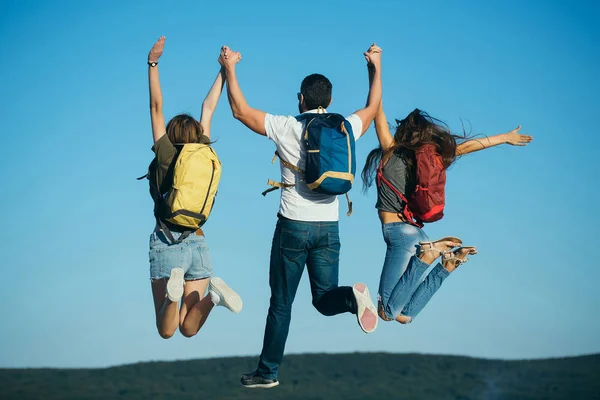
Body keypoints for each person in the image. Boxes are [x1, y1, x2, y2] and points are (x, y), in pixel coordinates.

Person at [218, 44, 383, 388]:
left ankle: (268, 372)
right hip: (329, 228)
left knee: (281, 304)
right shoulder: (345, 126)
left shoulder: (286, 126)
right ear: (330, 101)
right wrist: (374, 67)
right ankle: (353, 297)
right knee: (324, 300)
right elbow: (372, 106)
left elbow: (239, 111)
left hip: (293, 227)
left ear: (301, 99)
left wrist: (230, 68)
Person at [362, 105, 533, 324]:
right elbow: (466, 147)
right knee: (404, 316)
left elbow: (377, 110)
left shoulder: (391, 151)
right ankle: (447, 265)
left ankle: (429, 255)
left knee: (386, 312)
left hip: (399, 234)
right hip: (417, 235)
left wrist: (374, 75)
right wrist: (503, 138)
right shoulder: (427, 159)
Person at [145, 36, 242, 339]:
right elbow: (209, 106)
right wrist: (224, 70)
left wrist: (153, 63)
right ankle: (213, 297)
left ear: (171, 134)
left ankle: (173, 296)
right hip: (198, 242)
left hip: (166, 241)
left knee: (168, 330)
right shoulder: (201, 149)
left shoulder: (164, 152)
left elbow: (156, 106)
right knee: (190, 329)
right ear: (196, 135)